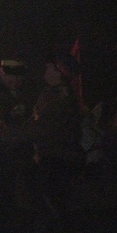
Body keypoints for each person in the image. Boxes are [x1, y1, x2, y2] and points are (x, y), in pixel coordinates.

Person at [29, 53, 85, 212]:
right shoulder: (49, 93)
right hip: (50, 158)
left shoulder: (60, 99)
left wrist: (3, 135)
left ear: (59, 72)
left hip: (58, 162)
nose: (45, 69)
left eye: (50, 67)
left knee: (52, 209)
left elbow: (39, 128)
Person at [0, 58, 37, 145]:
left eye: (18, 74)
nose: (14, 78)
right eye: (10, 74)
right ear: (1, 73)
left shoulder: (30, 92)